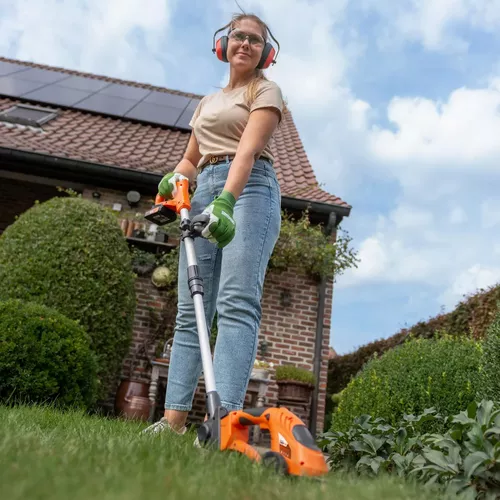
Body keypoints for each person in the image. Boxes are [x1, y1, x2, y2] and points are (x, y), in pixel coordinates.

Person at [143, 12, 284, 439]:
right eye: (238, 36)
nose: (245, 44)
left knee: (237, 301)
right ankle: (173, 424)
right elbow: (191, 157)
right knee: (192, 311)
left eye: (255, 40)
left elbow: (247, 150)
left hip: (252, 189)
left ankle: (226, 425)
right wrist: (178, 175)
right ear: (223, 45)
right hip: (203, 190)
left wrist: (227, 201)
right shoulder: (207, 102)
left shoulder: (266, 91)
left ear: (266, 53)